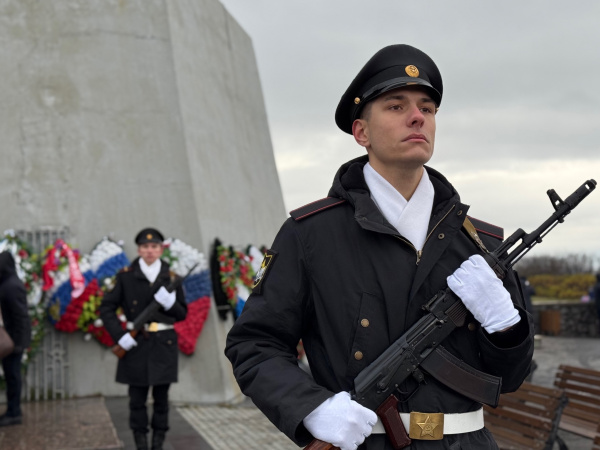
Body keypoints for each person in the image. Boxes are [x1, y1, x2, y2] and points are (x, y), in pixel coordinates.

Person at [225, 44, 534, 449]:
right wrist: (313, 408)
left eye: (427, 108)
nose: (417, 116)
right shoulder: (311, 234)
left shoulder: (481, 244)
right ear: (362, 133)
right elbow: (254, 344)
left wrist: (507, 328)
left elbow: (510, 378)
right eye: (395, 106)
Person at [99, 228, 187, 450]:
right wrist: (120, 336)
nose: (150, 250)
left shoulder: (172, 278)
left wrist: (170, 303)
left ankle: (158, 443)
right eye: (145, 247)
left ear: (161, 250)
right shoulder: (125, 276)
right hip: (135, 343)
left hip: (163, 343)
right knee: (137, 400)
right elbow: (107, 308)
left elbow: (182, 314)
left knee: (161, 400)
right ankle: (140, 443)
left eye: (154, 246)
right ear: (139, 249)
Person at [0, 251, 31, 427]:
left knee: (13, 376)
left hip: (13, 341)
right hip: (12, 340)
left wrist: (19, 343)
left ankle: (14, 412)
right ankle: (12, 410)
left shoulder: (11, 286)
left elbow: (20, 316)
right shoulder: (9, 283)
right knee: (11, 376)